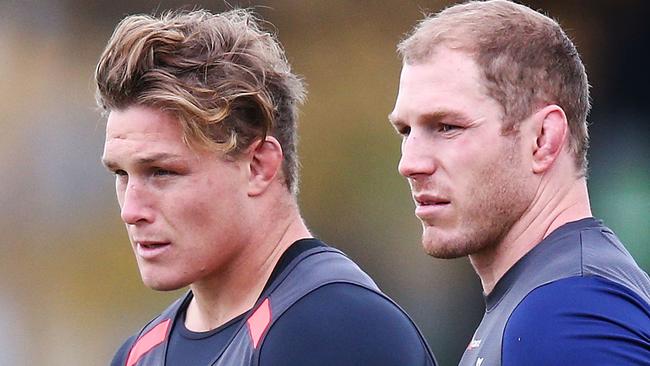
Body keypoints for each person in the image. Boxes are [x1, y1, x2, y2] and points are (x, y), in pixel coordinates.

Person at [96, 8, 436, 366]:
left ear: (259, 166)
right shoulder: (137, 356)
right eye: (121, 174)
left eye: (162, 172)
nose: (131, 210)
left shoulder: (337, 328)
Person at [388, 1, 650, 365]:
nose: (410, 163)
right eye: (406, 130)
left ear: (543, 139)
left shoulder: (567, 316)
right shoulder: (545, 302)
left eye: (447, 127)